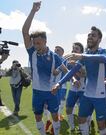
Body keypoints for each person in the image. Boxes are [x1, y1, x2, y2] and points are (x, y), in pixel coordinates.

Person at [52, 26, 106, 135]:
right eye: (89, 35)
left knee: (101, 124)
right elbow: (73, 71)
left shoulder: (103, 51)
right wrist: (59, 83)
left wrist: (82, 56)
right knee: (81, 119)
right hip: (87, 95)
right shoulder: (86, 54)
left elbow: (105, 59)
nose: (90, 37)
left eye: (93, 35)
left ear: (99, 39)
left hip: (101, 96)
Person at [22, 1, 68, 135]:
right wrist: (33, 11)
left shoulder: (55, 56)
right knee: (37, 116)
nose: (36, 45)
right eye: (34, 43)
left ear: (45, 41)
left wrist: (69, 80)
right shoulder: (32, 53)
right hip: (37, 92)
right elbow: (25, 32)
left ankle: (57, 133)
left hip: (52, 92)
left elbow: (65, 70)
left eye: (38, 43)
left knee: (54, 116)